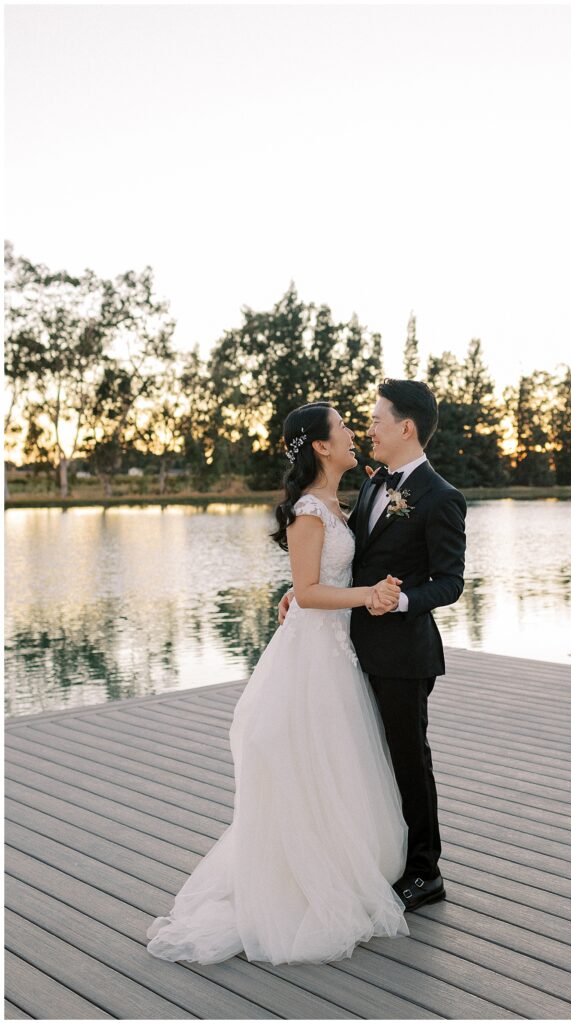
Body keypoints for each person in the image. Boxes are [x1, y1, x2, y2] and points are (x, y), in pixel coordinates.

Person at [147, 401, 410, 966]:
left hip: (338, 652)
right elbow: (310, 590)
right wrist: (365, 597)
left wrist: (356, 589)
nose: (352, 434)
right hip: (314, 655)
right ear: (320, 445)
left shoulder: (341, 503)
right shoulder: (309, 510)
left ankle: (342, 865)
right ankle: (302, 881)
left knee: (338, 763)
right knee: (312, 761)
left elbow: (316, 580)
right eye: (342, 428)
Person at [279, 379, 467, 911]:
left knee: (409, 759)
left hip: (404, 654)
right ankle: (383, 859)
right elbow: (343, 560)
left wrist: (400, 602)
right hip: (351, 646)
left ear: (405, 427)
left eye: (378, 419)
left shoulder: (441, 497)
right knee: (368, 761)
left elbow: (450, 582)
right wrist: (299, 591)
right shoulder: (372, 483)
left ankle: (426, 873)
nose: (369, 428)